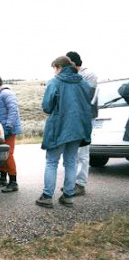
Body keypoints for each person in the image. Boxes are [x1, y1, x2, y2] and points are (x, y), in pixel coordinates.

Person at [36, 56, 92, 208]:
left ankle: (47, 196)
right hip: (78, 128)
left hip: (59, 127)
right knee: (71, 162)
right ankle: (68, 196)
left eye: (54, 68)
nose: (54, 72)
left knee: (52, 162)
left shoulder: (55, 81)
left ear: (58, 67)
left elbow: (47, 107)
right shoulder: (83, 82)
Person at [66, 51, 98, 196]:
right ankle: (71, 182)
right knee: (72, 151)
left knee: (83, 152)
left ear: (73, 62)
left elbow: (87, 96)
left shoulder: (89, 75)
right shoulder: (71, 75)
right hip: (73, 117)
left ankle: (80, 183)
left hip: (85, 116)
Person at [0, 74, 22, 192]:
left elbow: (13, 110)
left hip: (8, 129)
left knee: (8, 154)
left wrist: (8, 126)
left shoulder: (6, 93)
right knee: (3, 153)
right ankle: (3, 178)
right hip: (2, 129)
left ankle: (13, 182)